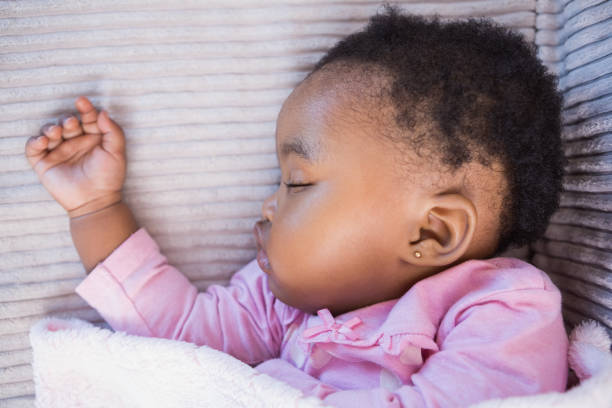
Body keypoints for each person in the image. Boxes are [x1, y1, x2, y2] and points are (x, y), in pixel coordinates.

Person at [24, 5, 568, 407]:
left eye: (297, 183)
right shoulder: (281, 304)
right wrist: (96, 207)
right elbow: (176, 336)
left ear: (431, 232)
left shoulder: (502, 309)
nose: (268, 204)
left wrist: (269, 385)